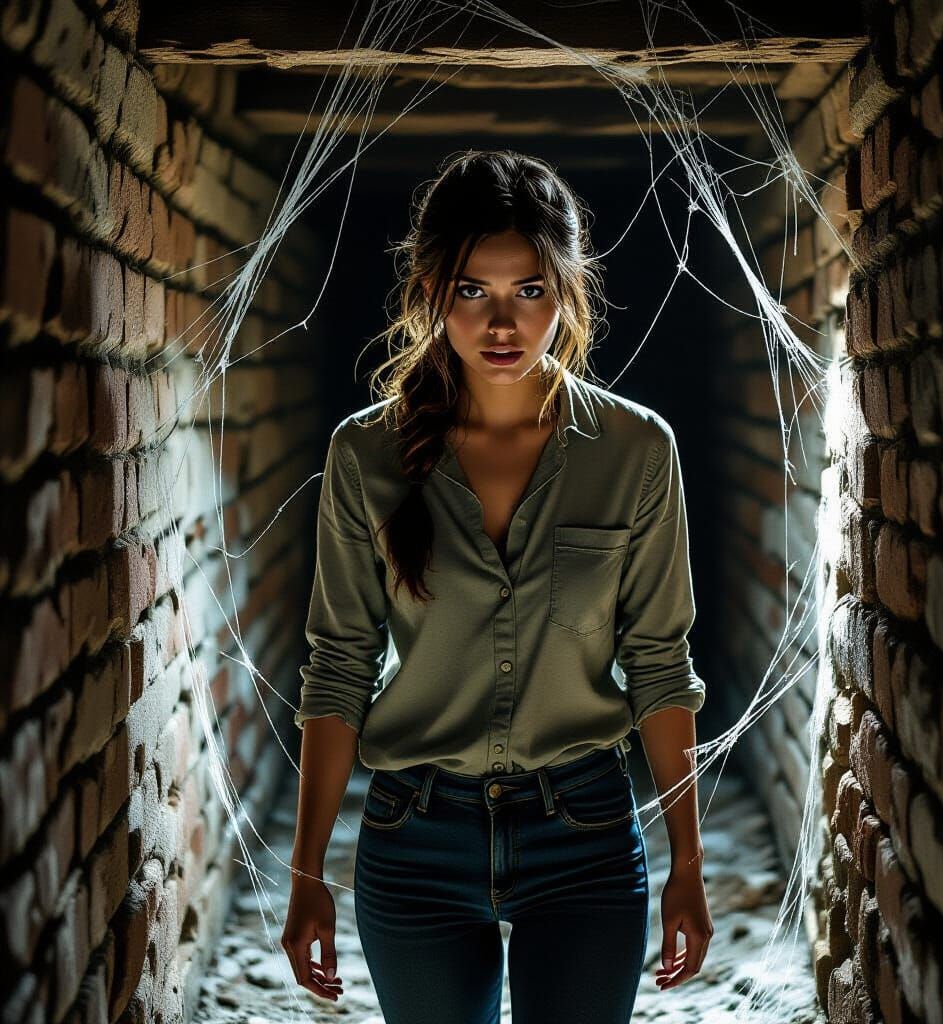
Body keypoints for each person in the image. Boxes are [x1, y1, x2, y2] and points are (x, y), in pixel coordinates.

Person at [280, 149, 713, 1023]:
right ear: (433, 291)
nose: (502, 322)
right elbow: (338, 667)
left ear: (568, 294)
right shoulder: (364, 457)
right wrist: (307, 873)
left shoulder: (635, 451)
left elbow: (660, 663)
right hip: (414, 839)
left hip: (585, 835)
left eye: (531, 291)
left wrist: (688, 868)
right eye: (473, 290)